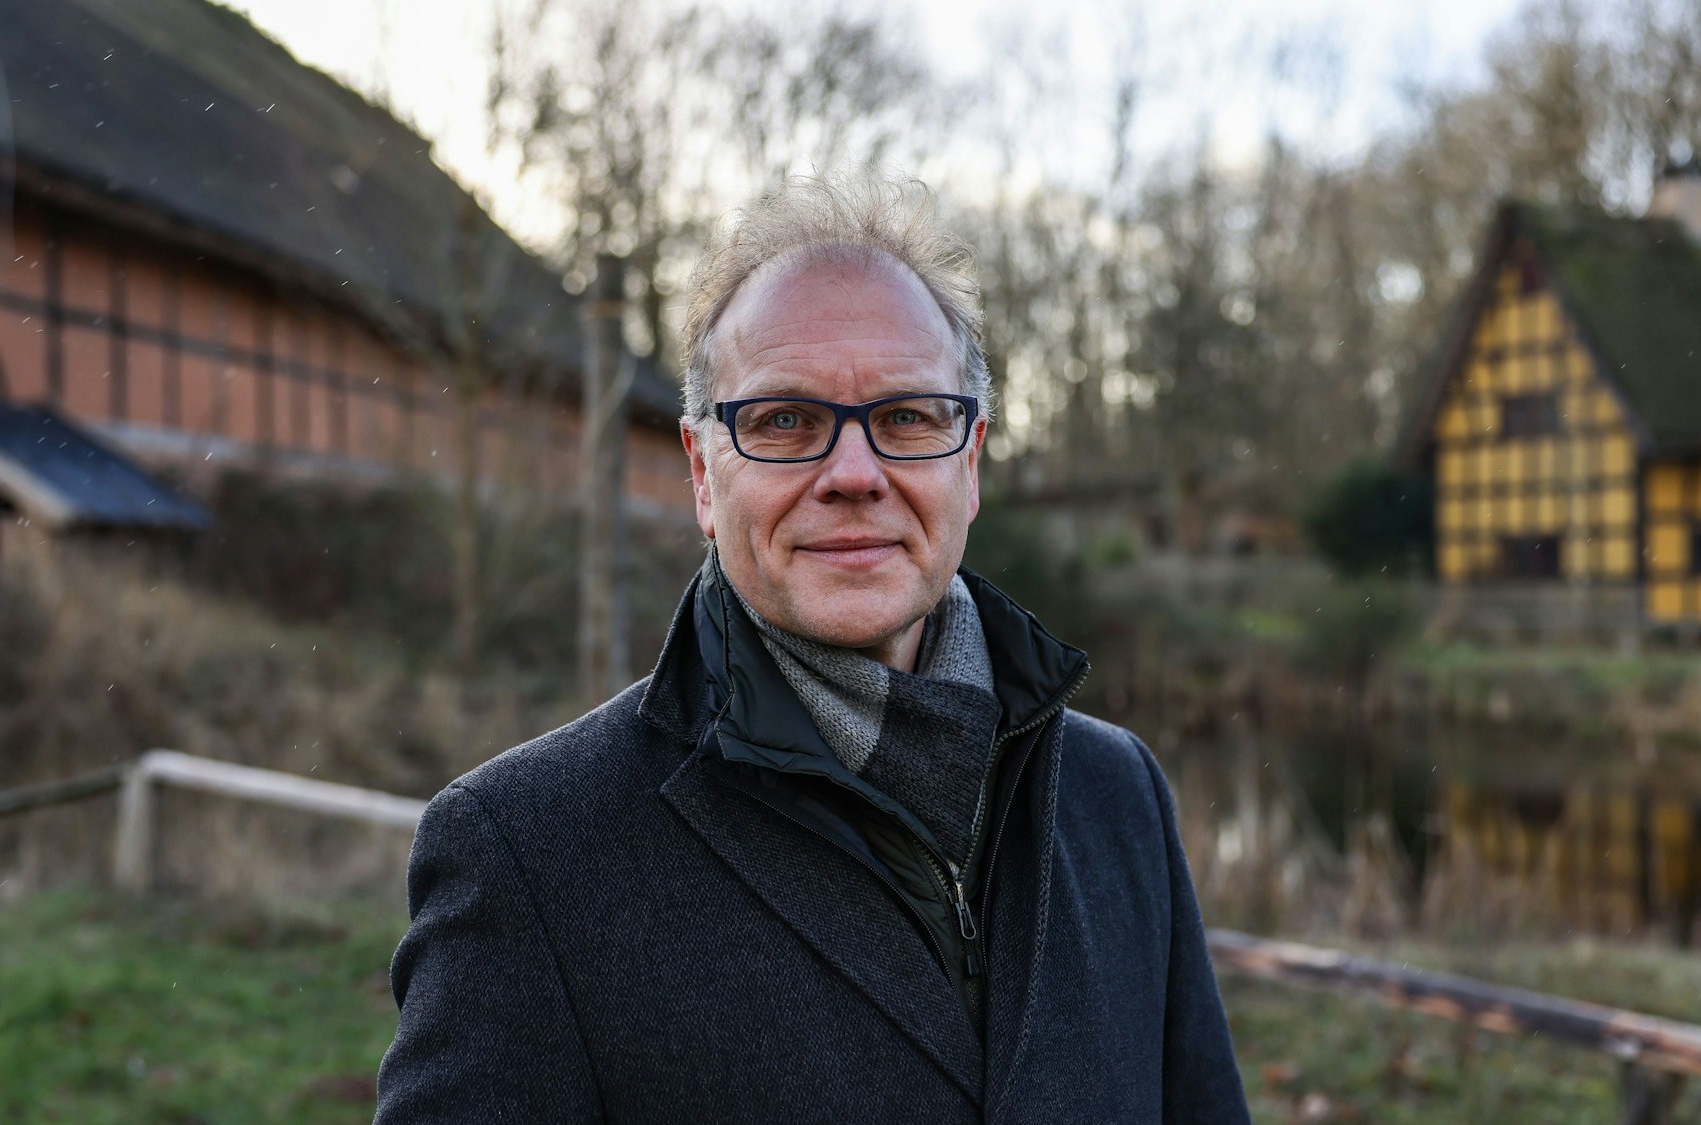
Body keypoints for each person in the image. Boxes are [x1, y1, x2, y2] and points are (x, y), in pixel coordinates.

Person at [373, 175, 1252, 1124]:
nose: (854, 474)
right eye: (785, 421)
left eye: (909, 418)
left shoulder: (1117, 795)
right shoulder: (527, 853)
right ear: (705, 477)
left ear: (971, 462)